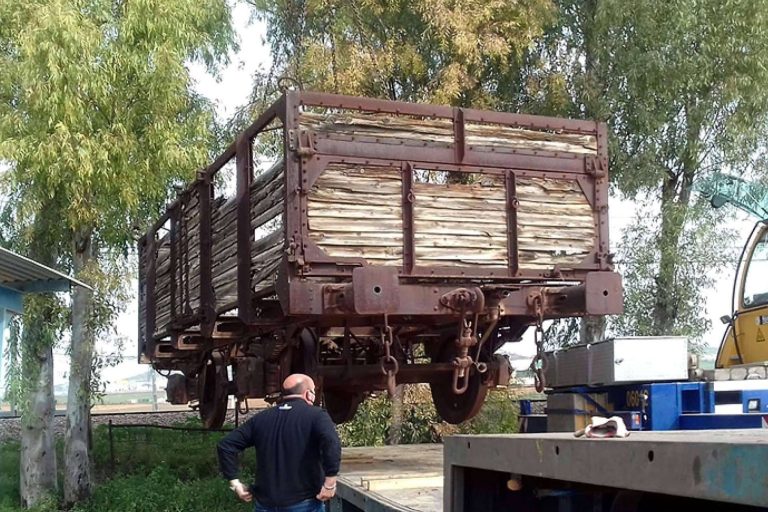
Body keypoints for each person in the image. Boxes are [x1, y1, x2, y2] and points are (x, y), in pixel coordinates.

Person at [217, 373, 342, 512]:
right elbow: (331, 443)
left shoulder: (261, 418)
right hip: (304, 503)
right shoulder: (316, 415)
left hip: (265, 504)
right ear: (308, 394)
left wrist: (235, 483)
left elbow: (226, 445)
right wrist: (330, 482)